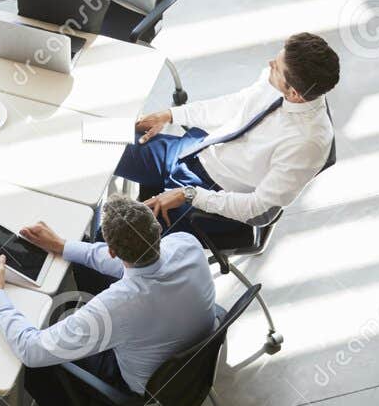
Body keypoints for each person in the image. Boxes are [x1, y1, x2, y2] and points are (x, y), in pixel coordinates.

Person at [0, 196, 215, 406]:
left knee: (31, 362)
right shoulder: (186, 243)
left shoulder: (119, 305)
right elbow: (131, 264)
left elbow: (30, 350)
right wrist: (62, 245)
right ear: (156, 228)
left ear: (112, 250)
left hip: (137, 400)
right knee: (85, 267)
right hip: (190, 371)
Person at [120, 33, 340, 249]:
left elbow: (257, 207)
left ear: (293, 93)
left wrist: (188, 194)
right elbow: (234, 105)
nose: (270, 63)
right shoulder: (278, 80)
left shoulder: (309, 143)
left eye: (277, 67)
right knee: (106, 143)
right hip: (194, 151)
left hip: (212, 198)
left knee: (114, 240)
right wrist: (170, 115)